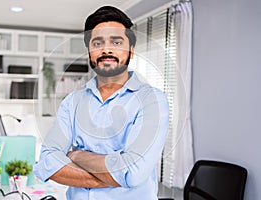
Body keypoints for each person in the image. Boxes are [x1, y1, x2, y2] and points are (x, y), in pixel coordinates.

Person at [34, 5, 169, 200]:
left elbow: (133, 172)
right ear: (89, 51)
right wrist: (114, 174)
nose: (106, 49)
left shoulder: (152, 101)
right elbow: (47, 162)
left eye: (116, 42)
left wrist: (75, 156)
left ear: (131, 51)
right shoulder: (73, 102)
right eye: (97, 43)